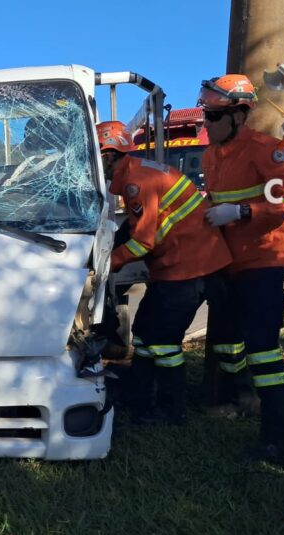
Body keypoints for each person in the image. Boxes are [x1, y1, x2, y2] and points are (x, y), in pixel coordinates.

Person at [97, 121, 233, 425]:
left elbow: (144, 241)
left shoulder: (136, 183)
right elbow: (136, 227)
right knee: (144, 332)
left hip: (188, 269)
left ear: (108, 156)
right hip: (183, 265)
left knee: (163, 341)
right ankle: (140, 394)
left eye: (96, 158)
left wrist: (106, 264)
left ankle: (172, 410)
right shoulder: (138, 172)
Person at [199, 74, 284, 466]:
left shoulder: (268, 152)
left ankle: (279, 441)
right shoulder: (211, 156)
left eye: (212, 116)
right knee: (225, 341)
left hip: (263, 261)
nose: (205, 124)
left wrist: (243, 212)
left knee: (263, 352)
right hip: (228, 262)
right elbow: (213, 199)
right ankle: (243, 397)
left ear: (239, 116)